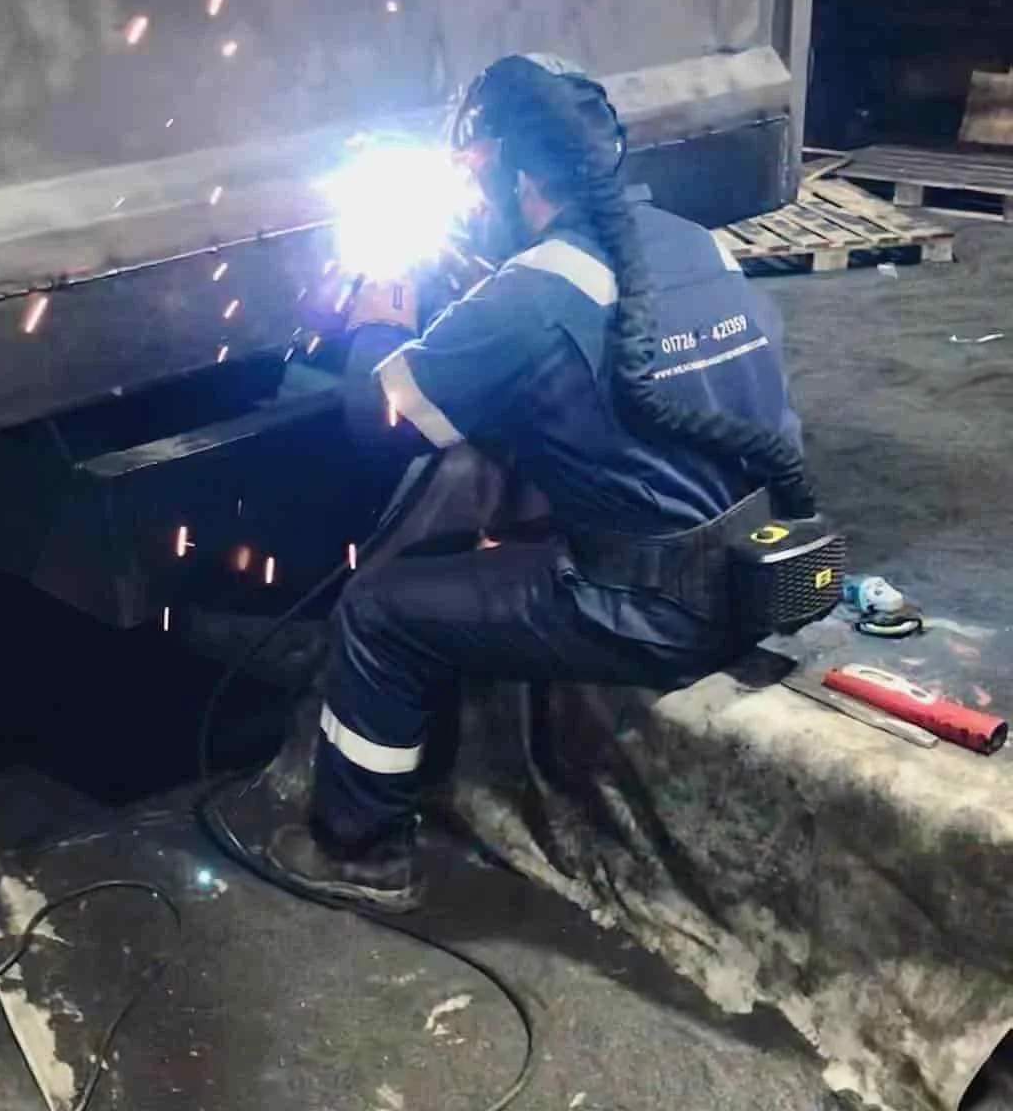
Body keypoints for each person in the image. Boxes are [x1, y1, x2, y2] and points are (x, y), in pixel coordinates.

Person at [267, 53, 812, 912]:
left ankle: (357, 847)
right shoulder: (692, 242)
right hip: (758, 568)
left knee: (380, 612)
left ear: (512, 176)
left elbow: (382, 425)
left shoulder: (536, 291)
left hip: (654, 611)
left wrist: (377, 323)